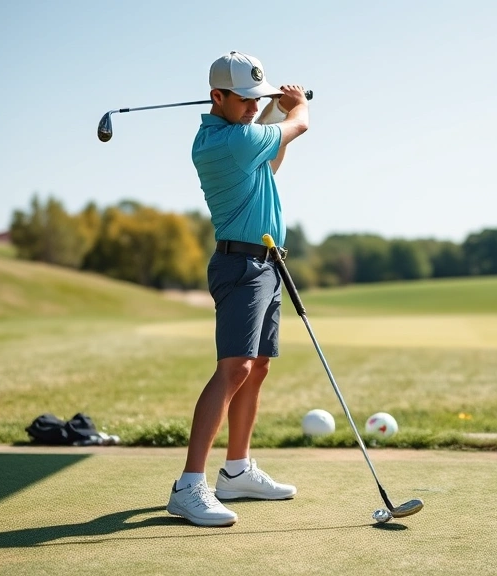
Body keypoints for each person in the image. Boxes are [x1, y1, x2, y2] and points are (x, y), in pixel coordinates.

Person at [166, 51, 310, 527]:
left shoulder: (239, 137)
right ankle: (189, 486)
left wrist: (272, 104)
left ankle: (237, 470)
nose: (252, 106)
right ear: (217, 97)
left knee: (257, 367)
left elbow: (272, 160)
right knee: (234, 368)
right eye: (243, 99)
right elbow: (297, 127)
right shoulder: (226, 144)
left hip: (266, 263)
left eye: (257, 98)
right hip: (241, 265)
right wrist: (295, 105)